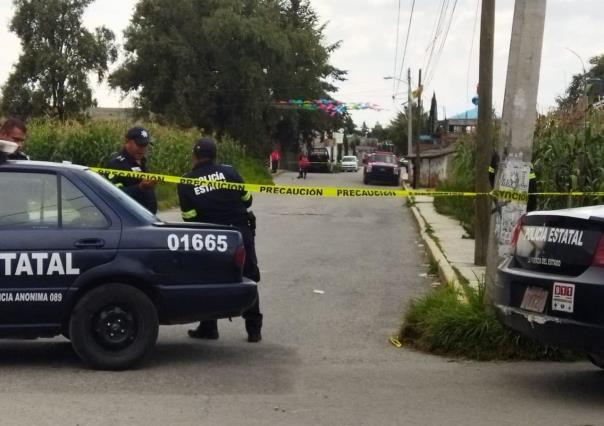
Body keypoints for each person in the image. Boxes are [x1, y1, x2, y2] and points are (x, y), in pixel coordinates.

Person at [177, 137, 263, 343]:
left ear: (195, 156)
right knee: (248, 277)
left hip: (211, 237)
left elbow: (189, 218)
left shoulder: (186, 182)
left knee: (209, 281)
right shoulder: (229, 172)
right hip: (240, 233)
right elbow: (247, 199)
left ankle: (209, 327)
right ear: (215, 155)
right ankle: (254, 330)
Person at [105, 127, 158, 214]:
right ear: (127, 141)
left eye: (145, 145)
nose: (142, 149)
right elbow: (113, 193)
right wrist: (140, 188)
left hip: (146, 218)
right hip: (128, 219)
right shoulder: (116, 164)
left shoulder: (142, 161)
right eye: (139, 145)